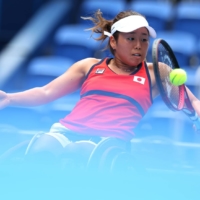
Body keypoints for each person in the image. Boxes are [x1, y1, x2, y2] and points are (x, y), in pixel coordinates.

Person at [0, 10, 200, 168]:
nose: (139, 45)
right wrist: (9, 98)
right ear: (113, 41)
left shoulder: (157, 72)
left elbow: (191, 101)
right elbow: (46, 92)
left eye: (144, 39)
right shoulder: (88, 65)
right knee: (41, 151)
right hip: (65, 132)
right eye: (131, 38)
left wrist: (197, 115)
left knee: (79, 154)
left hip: (108, 143)